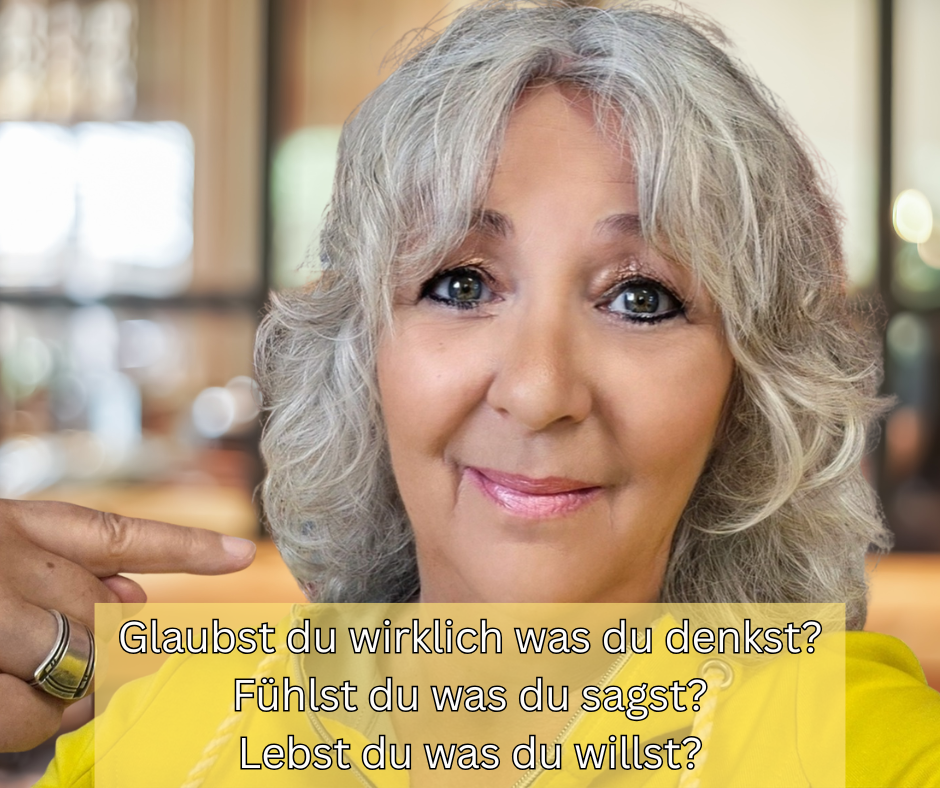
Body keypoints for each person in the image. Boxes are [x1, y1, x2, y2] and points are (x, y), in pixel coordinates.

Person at [1, 1, 938, 785]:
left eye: (641, 298)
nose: (538, 391)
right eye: (460, 284)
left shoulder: (862, 750)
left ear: (748, 390)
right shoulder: (164, 737)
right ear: (364, 355)